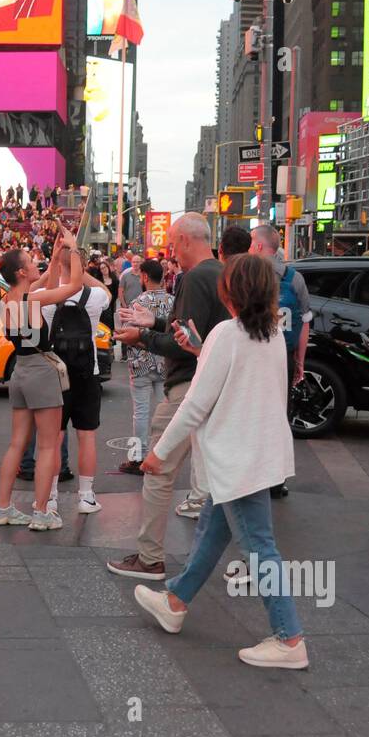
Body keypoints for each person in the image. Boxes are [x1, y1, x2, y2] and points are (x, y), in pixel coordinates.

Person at [132, 254, 308, 670]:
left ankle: (289, 638)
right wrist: (200, 349)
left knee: (260, 548)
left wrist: (159, 453)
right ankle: (175, 602)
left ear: (230, 292)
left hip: (237, 460)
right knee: (213, 530)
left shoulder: (227, 335)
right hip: (259, 455)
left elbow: (195, 405)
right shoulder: (271, 334)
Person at [108, 214, 227, 580]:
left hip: (187, 388)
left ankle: (150, 557)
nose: (172, 253)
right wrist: (154, 324)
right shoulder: (221, 274)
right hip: (214, 385)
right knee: (220, 482)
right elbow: (193, 334)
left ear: (189, 240)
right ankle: (246, 562)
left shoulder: (195, 279)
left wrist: (140, 337)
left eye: (174, 244)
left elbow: (184, 345)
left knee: (157, 467)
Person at [0, 229, 84, 531]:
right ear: (20, 271)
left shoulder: (4, 302)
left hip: (20, 372)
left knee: (17, 444)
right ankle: (41, 512)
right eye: (30, 261)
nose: (35, 264)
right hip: (42, 373)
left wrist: (56, 257)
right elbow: (74, 286)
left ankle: (2, 508)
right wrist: (75, 249)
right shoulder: (33, 300)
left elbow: (47, 284)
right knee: (47, 446)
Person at [42, 245, 110, 516]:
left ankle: (51, 497)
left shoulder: (47, 298)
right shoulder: (93, 296)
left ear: (59, 264)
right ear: (82, 266)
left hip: (56, 374)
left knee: (54, 437)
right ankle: (86, 496)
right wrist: (81, 272)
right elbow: (108, 291)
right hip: (87, 373)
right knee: (87, 436)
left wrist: (55, 264)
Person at [249, 224, 312, 499]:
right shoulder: (295, 278)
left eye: (252, 242)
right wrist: (300, 360)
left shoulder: (249, 276)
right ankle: (276, 479)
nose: (250, 246)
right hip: (283, 356)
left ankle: (252, 475)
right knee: (280, 416)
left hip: (254, 353)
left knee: (251, 413)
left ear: (261, 247)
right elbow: (305, 322)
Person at [120, 259, 172, 475]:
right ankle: (160, 455)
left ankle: (136, 457)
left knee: (140, 413)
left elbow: (125, 333)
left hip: (140, 364)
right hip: (165, 362)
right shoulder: (172, 301)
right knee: (162, 411)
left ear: (144, 277)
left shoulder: (136, 303)